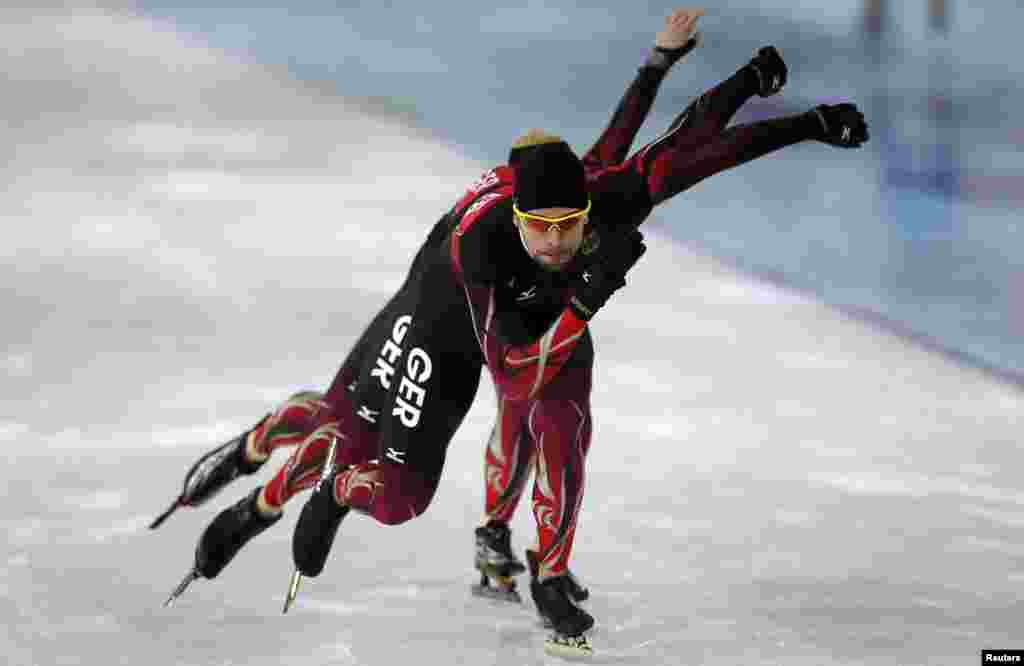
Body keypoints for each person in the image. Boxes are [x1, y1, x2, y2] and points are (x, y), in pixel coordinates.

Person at [153, 7, 868, 655]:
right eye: (542, 230)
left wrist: (789, 113)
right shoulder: (486, 247)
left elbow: (689, 151)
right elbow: (513, 370)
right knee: (392, 483)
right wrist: (588, 293)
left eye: (571, 226)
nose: (558, 241)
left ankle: (533, 564)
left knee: (556, 419)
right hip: (443, 321)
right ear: (518, 219)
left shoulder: (593, 192)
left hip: (524, 315)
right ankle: (283, 481)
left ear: (586, 206)